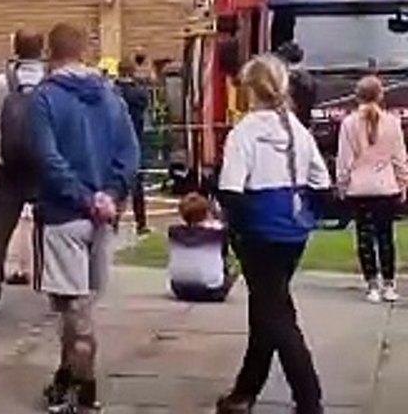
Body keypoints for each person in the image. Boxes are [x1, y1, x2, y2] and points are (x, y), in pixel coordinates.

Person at [29, 22, 139, 413]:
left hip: (63, 214)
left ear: (50, 53)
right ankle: (65, 376)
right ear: (84, 52)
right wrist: (110, 194)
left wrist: (83, 197)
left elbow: (47, 158)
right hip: (101, 216)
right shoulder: (110, 96)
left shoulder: (44, 99)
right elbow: (129, 153)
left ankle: (85, 388)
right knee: (82, 304)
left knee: (74, 310)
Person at [215, 54, 330, 414]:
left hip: (258, 232)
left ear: (249, 89)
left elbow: (231, 190)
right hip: (293, 232)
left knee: (277, 316)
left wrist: (236, 229)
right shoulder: (296, 129)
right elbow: (322, 183)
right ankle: (244, 392)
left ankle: (309, 398)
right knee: (267, 309)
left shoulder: (245, 132)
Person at [0, 28, 46, 314]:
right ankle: (51, 284)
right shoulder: (50, 81)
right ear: (41, 49)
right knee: (48, 227)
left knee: (0, 231)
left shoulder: (1, 82)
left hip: (9, 163)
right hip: (42, 162)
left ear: (15, 47)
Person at [336, 75, 408, 303]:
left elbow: (345, 159)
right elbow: (399, 158)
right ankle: (389, 284)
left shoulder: (349, 123)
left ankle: (372, 285)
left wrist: (342, 184)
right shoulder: (392, 122)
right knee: (386, 235)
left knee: (364, 236)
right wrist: (403, 182)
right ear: (380, 95)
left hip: (360, 187)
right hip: (386, 185)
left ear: (357, 96)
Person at [167, 192, 236, 303]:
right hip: (211, 291)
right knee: (230, 263)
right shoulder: (218, 233)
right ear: (207, 213)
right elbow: (224, 252)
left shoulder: (173, 231)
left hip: (179, 288)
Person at [114, 59, 151, 235]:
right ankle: (141, 223)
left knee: (115, 183)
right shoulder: (138, 94)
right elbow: (144, 101)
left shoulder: (112, 92)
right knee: (137, 186)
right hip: (135, 140)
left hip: (114, 143)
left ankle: (113, 220)